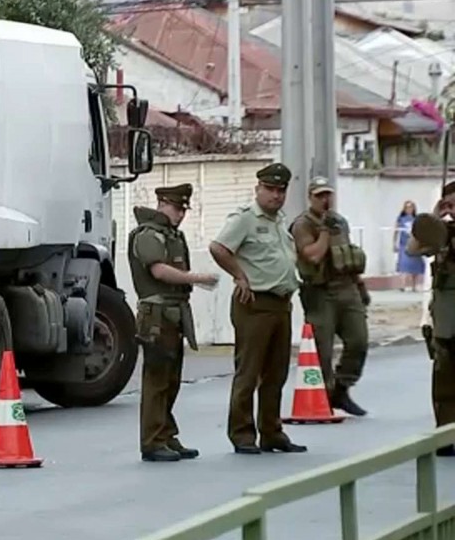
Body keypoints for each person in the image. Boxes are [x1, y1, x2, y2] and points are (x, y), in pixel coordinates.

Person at [209, 162, 307, 455]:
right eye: (271, 189)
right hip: (255, 303)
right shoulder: (245, 219)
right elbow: (219, 248)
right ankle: (242, 433)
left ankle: (271, 431)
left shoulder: (279, 221)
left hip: (280, 303)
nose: (276, 196)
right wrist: (239, 275)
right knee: (248, 372)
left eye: (281, 190)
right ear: (258, 189)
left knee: (276, 373)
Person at [128, 183, 219, 462]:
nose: (181, 214)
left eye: (183, 209)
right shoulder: (148, 235)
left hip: (173, 313)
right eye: (177, 208)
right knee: (157, 380)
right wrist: (196, 278)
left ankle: (166, 434)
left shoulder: (170, 235)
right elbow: (159, 270)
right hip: (157, 315)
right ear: (163, 204)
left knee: (171, 379)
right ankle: (153, 441)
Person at [289, 177, 371, 417]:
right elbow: (313, 256)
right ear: (310, 198)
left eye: (328, 195)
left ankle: (342, 387)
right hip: (320, 292)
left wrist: (360, 286)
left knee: (359, 340)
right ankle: (324, 393)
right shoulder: (303, 224)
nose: (325, 200)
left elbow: (346, 256)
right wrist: (324, 230)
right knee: (322, 349)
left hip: (347, 288)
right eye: (319, 196)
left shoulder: (340, 222)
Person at [404, 182, 455, 457]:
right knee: (444, 377)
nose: (451, 209)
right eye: (447, 203)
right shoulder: (440, 231)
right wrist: (433, 220)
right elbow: (413, 249)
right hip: (446, 312)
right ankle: (445, 435)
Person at [396, 201, 424, 291]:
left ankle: (414, 286)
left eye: (411, 207)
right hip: (403, 244)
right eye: (407, 207)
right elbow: (396, 231)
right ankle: (402, 285)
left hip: (414, 244)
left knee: (415, 265)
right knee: (403, 264)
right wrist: (394, 243)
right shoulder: (400, 219)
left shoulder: (416, 219)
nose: (409, 209)